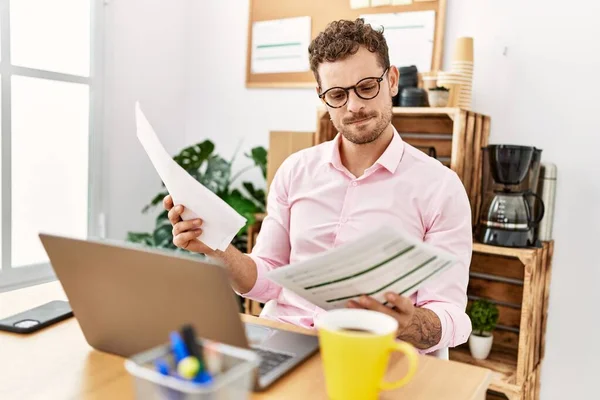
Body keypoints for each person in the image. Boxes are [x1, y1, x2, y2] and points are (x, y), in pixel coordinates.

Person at [163, 18, 472, 354]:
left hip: (373, 352)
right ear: (322, 98)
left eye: (367, 86)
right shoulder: (296, 170)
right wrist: (215, 248)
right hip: (286, 341)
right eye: (337, 95)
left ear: (392, 81)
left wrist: (408, 325)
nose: (354, 106)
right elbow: (267, 278)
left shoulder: (440, 187)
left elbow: (452, 313)